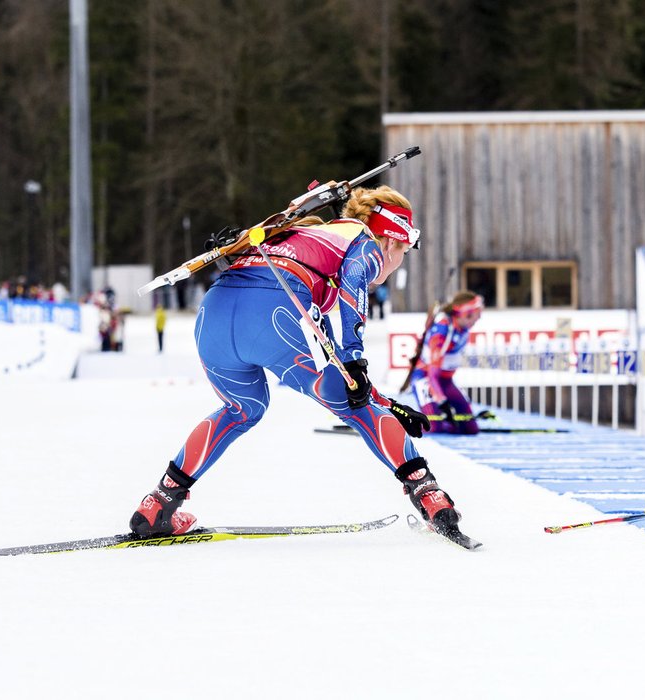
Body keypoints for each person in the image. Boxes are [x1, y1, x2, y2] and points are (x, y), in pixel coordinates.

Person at [130, 185, 462, 537]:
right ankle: (430, 495)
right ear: (394, 240)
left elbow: (351, 379)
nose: (397, 263)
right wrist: (355, 358)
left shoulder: (300, 229)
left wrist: (386, 403)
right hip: (276, 313)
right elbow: (353, 286)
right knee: (354, 407)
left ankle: (158, 505)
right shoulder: (366, 241)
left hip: (213, 315)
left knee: (242, 410)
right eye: (405, 252)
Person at [403, 290, 487, 435]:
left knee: (471, 428)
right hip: (426, 378)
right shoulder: (442, 332)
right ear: (464, 314)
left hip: (445, 381)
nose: (478, 319)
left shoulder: (462, 327)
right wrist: (442, 402)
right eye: (476, 315)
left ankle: (445, 422)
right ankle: (406, 423)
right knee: (434, 427)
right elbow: (432, 376)